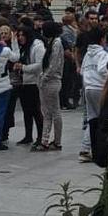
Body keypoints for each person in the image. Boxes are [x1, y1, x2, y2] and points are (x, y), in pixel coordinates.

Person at [79, 28, 108, 162]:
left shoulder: (87, 54)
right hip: (99, 88)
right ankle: (101, 149)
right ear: (102, 39)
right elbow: (102, 69)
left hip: (88, 88)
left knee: (92, 119)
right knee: (102, 119)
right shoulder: (102, 53)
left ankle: (85, 148)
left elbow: (82, 70)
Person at [14, 25, 46, 148]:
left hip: (34, 82)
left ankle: (40, 136)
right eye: (19, 35)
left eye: (23, 35)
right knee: (26, 111)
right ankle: (28, 135)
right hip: (23, 82)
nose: (20, 38)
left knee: (35, 111)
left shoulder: (37, 46)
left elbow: (40, 65)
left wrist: (23, 67)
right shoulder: (22, 48)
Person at [37, 21, 64, 151]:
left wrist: (44, 77)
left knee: (53, 112)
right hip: (50, 80)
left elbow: (53, 64)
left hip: (51, 81)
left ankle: (55, 141)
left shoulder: (56, 43)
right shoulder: (53, 42)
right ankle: (46, 140)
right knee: (48, 112)